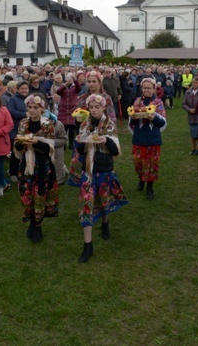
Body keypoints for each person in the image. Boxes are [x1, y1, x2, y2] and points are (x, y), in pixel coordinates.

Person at [75, 94, 128, 263]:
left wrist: (106, 140)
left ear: (103, 107)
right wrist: (80, 140)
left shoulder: (110, 125)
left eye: (97, 107)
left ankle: (105, 223)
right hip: (88, 171)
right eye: (92, 107)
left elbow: (115, 151)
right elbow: (78, 147)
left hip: (105, 170)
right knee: (86, 205)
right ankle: (87, 246)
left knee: (104, 202)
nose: (94, 110)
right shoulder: (85, 124)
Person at [14, 94, 59, 243]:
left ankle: (38, 225)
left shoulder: (47, 125)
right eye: (30, 108)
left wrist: (35, 143)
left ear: (42, 109)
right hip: (26, 165)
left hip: (42, 166)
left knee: (39, 194)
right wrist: (21, 142)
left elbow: (49, 148)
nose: (32, 110)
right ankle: (32, 221)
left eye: (35, 108)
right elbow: (17, 147)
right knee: (26, 194)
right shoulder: (23, 124)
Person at [129, 77, 167, 200]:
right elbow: (132, 122)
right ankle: (141, 178)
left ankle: (150, 187)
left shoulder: (158, 102)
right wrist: (134, 118)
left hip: (153, 138)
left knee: (151, 164)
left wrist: (153, 118)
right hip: (139, 138)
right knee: (138, 162)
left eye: (149, 88)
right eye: (144, 88)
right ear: (141, 88)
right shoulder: (136, 102)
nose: (146, 90)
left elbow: (162, 122)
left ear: (153, 89)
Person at [7, 80, 29, 182]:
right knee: (15, 151)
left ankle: (23, 171)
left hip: (27, 129)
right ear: (18, 89)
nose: (24, 90)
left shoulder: (30, 99)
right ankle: (13, 172)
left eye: (26, 88)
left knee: (25, 151)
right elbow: (11, 112)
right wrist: (24, 114)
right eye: (22, 89)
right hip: (15, 128)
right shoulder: (13, 99)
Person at [56, 72, 81, 149]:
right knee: (64, 129)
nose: (69, 81)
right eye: (68, 79)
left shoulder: (75, 88)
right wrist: (64, 86)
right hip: (63, 110)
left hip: (72, 110)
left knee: (72, 129)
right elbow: (58, 92)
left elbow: (79, 88)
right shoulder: (63, 86)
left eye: (70, 79)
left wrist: (75, 80)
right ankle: (64, 143)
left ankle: (71, 143)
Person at [182, 78, 198, 155]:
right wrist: (189, 109)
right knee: (192, 133)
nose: (195, 84)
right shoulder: (187, 92)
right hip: (191, 116)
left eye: (197, 83)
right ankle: (193, 148)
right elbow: (184, 104)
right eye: (194, 83)